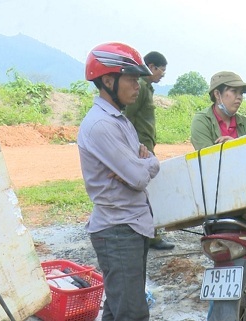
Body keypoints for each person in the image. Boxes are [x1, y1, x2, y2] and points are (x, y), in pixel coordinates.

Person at [78, 42, 160, 321]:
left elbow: (148, 163)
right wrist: (142, 165)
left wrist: (143, 162)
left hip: (131, 225)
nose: (137, 85)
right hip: (118, 230)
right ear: (108, 80)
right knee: (133, 313)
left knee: (117, 309)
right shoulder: (102, 125)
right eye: (131, 78)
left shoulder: (120, 121)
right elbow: (139, 177)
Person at [124, 51, 174, 250]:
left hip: (145, 147)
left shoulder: (146, 88)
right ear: (151, 67)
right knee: (146, 191)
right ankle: (150, 236)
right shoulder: (141, 89)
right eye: (161, 70)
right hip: (141, 150)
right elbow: (127, 118)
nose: (162, 74)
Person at [190, 71, 246, 150]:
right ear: (217, 94)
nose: (239, 97)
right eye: (234, 91)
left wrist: (235, 145)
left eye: (241, 93)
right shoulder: (202, 121)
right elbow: (209, 158)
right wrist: (238, 147)